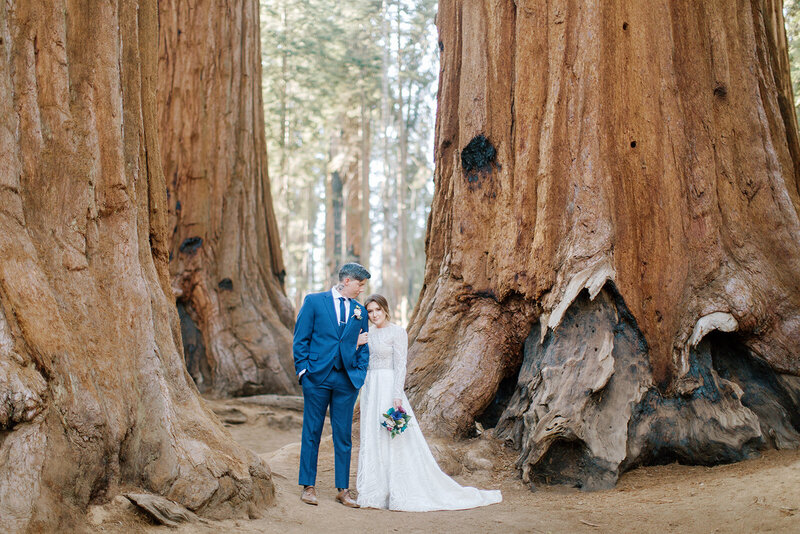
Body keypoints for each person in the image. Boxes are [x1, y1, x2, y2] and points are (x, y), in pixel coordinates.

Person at [355, 294, 502, 511]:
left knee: (392, 435)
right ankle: (376, 488)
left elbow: (401, 365)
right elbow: (358, 360)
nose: (374, 314)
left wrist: (397, 395)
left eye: (377, 309)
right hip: (370, 387)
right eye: (370, 311)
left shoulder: (397, 332)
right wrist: (357, 344)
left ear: (385, 309)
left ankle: (398, 488)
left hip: (388, 387)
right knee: (373, 435)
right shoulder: (366, 334)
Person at [293, 263, 371, 508]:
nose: (361, 290)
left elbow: (364, 346)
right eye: (359, 284)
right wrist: (304, 371)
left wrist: (358, 375)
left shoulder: (360, 311)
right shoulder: (315, 302)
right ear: (347, 281)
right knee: (312, 432)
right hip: (317, 377)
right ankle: (308, 486)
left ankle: (343, 490)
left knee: (343, 436)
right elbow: (300, 339)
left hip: (346, 381)